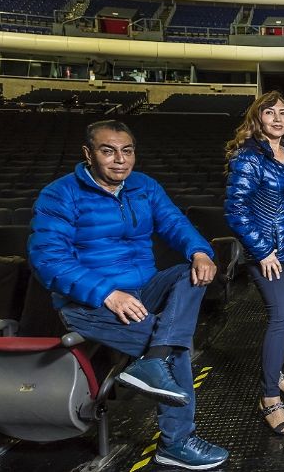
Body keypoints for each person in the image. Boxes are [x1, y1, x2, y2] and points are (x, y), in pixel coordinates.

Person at [28, 120, 229, 470]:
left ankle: (154, 358)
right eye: (108, 151)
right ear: (88, 154)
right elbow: (47, 259)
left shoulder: (144, 187)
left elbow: (175, 223)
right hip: (89, 303)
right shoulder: (60, 194)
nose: (120, 160)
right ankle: (175, 443)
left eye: (127, 150)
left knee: (192, 273)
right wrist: (107, 293)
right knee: (177, 350)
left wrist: (199, 251)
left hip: (142, 291)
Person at [224, 91, 284, 435]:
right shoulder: (248, 158)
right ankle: (270, 398)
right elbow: (236, 211)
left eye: (283, 113)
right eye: (270, 112)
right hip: (268, 254)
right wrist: (262, 251)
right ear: (257, 118)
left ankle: (276, 374)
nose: (277, 118)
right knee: (281, 317)